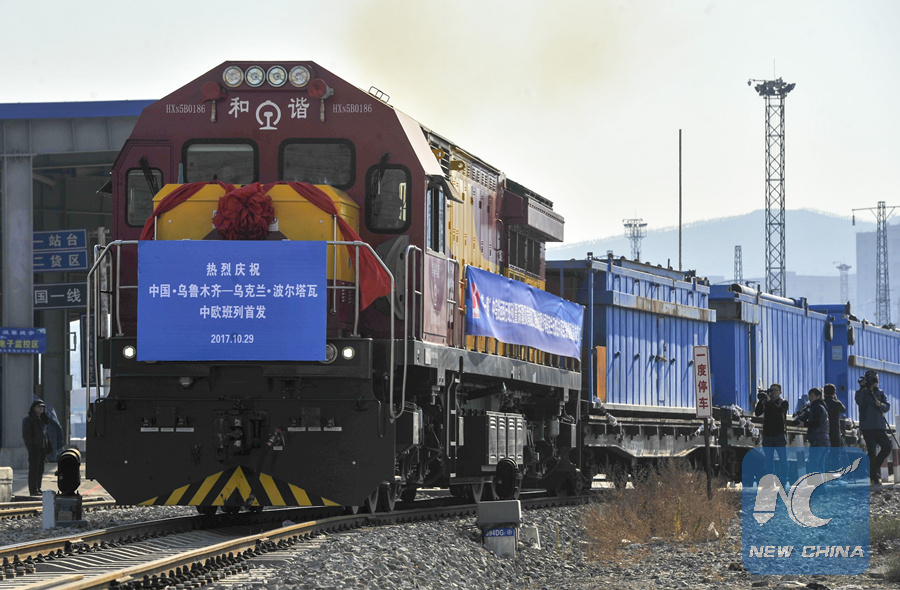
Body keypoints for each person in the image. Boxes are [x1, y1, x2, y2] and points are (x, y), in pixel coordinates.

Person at [855, 370, 893, 487]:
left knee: (887, 447)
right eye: (874, 379)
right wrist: (864, 390)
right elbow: (860, 402)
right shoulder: (861, 392)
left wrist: (880, 404)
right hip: (867, 427)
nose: (876, 382)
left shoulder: (880, 393)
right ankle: (874, 477)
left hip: (879, 426)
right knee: (871, 452)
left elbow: (887, 406)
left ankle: (872, 470)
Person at [755, 383, 789, 483]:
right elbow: (757, 413)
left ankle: (783, 481)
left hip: (779, 435)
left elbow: (779, 412)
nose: (772, 392)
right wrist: (761, 401)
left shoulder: (783, 402)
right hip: (767, 435)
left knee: (783, 460)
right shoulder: (766, 402)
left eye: (775, 390)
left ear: (780, 392)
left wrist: (769, 402)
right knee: (768, 460)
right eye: (771, 390)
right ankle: (770, 481)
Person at [21, 399, 51, 496]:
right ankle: (33, 489)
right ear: (34, 408)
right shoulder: (29, 420)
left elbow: (45, 434)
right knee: (34, 469)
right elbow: (27, 435)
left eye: (42, 407)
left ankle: (38, 487)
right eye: (39, 407)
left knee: (40, 469)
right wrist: (31, 447)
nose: (41, 409)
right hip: (34, 448)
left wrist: (48, 446)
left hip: (42, 447)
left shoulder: (43, 420)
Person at [823, 383, 848, 471]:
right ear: (834, 393)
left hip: (824, 431)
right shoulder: (836, 404)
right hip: (835, 431)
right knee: (835, 454)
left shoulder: (822, 403)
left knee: (823, 455)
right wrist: (836, 399)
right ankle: (835, 473)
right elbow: (843, 409)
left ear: (824, 392)